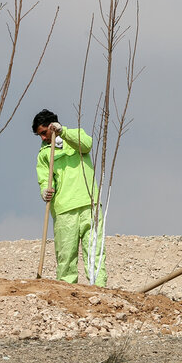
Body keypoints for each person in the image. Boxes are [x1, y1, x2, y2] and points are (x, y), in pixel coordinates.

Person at [32, 109, 106, 286]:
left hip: (89, 203)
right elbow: (45, 179)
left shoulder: (76, 137)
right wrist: (45, 190)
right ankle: (67, 291)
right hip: (64, 209)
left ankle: (99, 288)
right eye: (39, 135)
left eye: (43, 132)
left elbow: (87, 144)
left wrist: (63, 132)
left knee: (94, 250)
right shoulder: (44, 154)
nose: (42, 138)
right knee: (66, 254)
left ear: (52, 126)